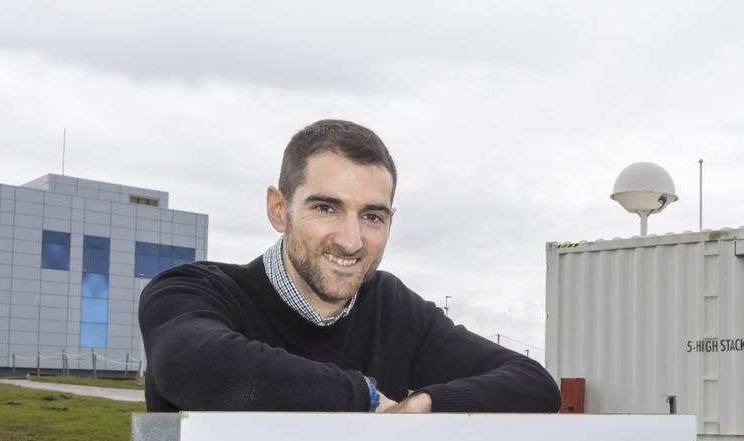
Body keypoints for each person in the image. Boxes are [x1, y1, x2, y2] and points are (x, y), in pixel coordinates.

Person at [139, 119, 561, 414]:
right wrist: (365, 398)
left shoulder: (391, 307)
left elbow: (533, 385)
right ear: (278, 209)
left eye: (372, 216)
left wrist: (426, 405)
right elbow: (192, 366)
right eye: (326, 207)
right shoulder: (193, 290)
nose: (351, 240)